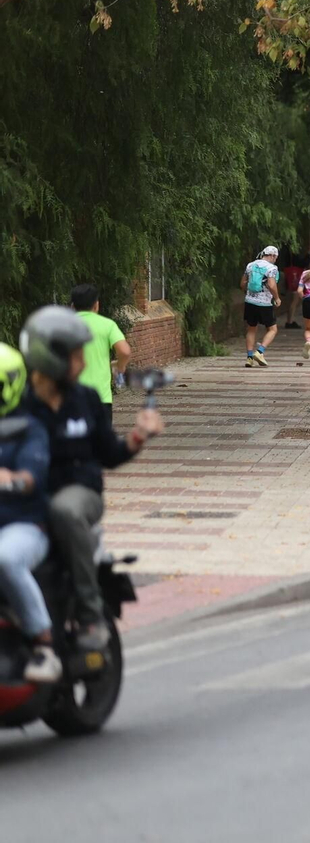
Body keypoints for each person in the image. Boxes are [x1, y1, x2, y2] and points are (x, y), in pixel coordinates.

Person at [21, 306, 162, 650]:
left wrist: (138, 437)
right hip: (28, 495)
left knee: (65, 511)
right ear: (49, 357)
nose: (83, 363)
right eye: (75, 355)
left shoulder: (85, 399)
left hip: (79, 493)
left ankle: (89, 614)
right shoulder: (21, 403)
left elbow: (109, 454)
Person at [0, 342, 60, 682]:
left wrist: (12, 479)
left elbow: (31, 476)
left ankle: (43, 644)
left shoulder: (29, 426)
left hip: (24, 524)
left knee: (4, 558)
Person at [70, 284, 130, 414]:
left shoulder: (63, 326)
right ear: (96, 305)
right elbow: (124, 351)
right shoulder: (108, 325)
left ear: (72, 306)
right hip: (100, 398)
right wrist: (120, 366)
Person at [241, 245, 281, 366]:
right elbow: (272, 285)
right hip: (264, 303)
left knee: (251, 329)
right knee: (273, 329)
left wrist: (248, 294)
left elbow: (242, 283)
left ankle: (249, 357)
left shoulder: (250, 265)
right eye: (276, 257)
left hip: (250, 302)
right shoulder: (272, 268)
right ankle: (259, 352)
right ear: (273, 256)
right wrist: (277, 298)